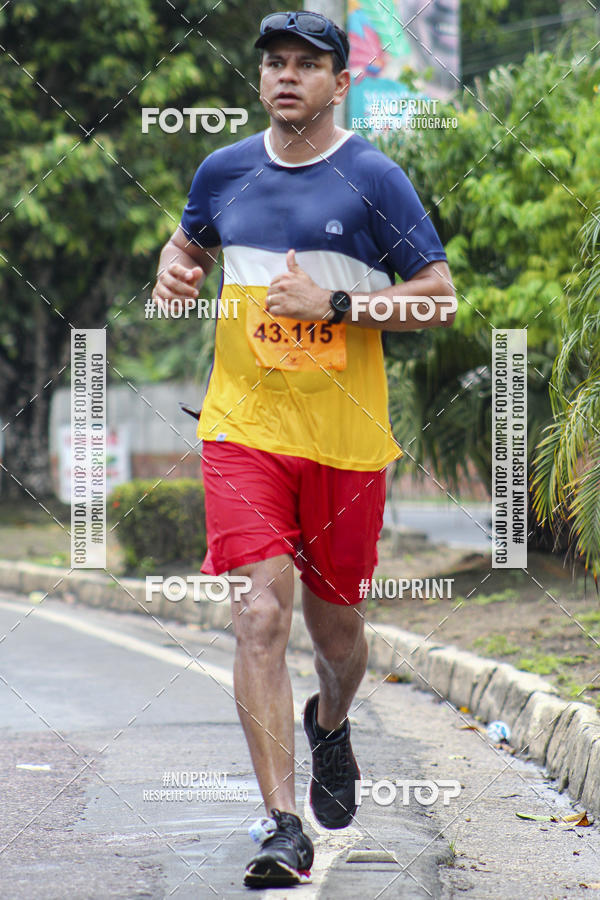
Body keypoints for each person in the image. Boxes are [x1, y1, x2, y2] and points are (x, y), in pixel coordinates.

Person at [151, 9, 455, 888]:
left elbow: (438, 295)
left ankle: (331, 722)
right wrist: (174, 270)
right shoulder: (222, 171)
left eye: (307, 65)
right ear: (260, 80)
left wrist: (340, 306)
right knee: (259, 614)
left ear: (339, 82)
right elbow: (186, 244)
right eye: (274, 64)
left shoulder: (372, 179)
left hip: (344, 442)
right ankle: (282, 825)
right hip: (243, 428)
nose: (288, 76)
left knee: (338, 632)